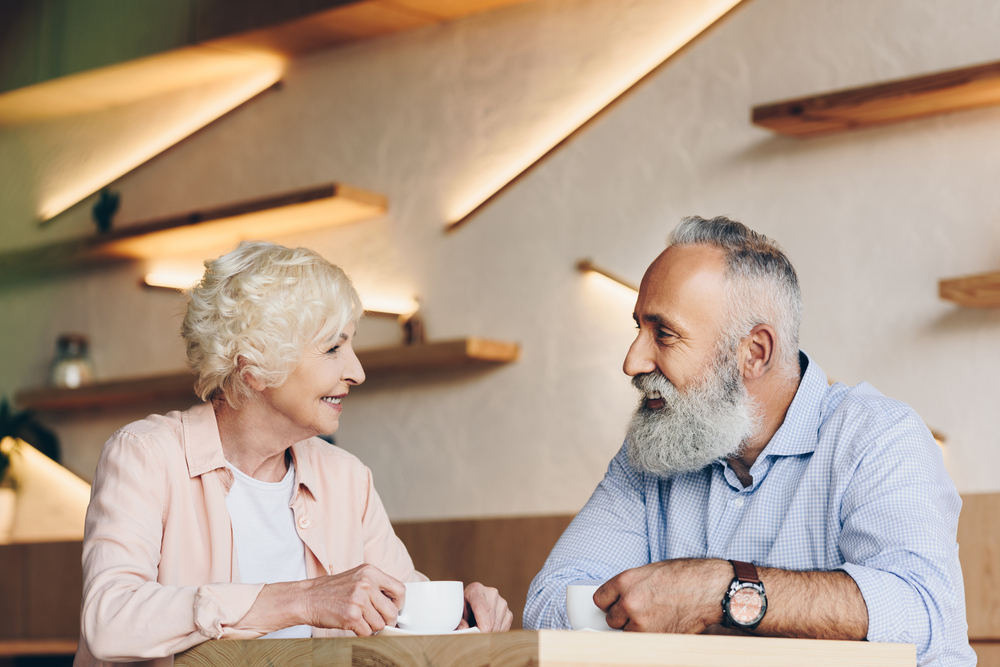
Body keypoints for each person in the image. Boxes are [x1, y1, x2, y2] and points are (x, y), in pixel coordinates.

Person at [524, 216, 974, 667]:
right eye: (637, 329)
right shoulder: (650, 451)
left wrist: (722, 591)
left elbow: (923, 613)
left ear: (754, 353)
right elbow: (548, 604)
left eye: (663, 333)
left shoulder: (878, 437)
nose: (633, 361)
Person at [76, 242, 512, 667]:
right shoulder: (146, 456)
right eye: (332, 348)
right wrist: (302, 599)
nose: (357, 371)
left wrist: (462, 616)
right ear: (254, 366)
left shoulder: (346, 478)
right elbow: (110, 618)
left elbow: (400, 610)